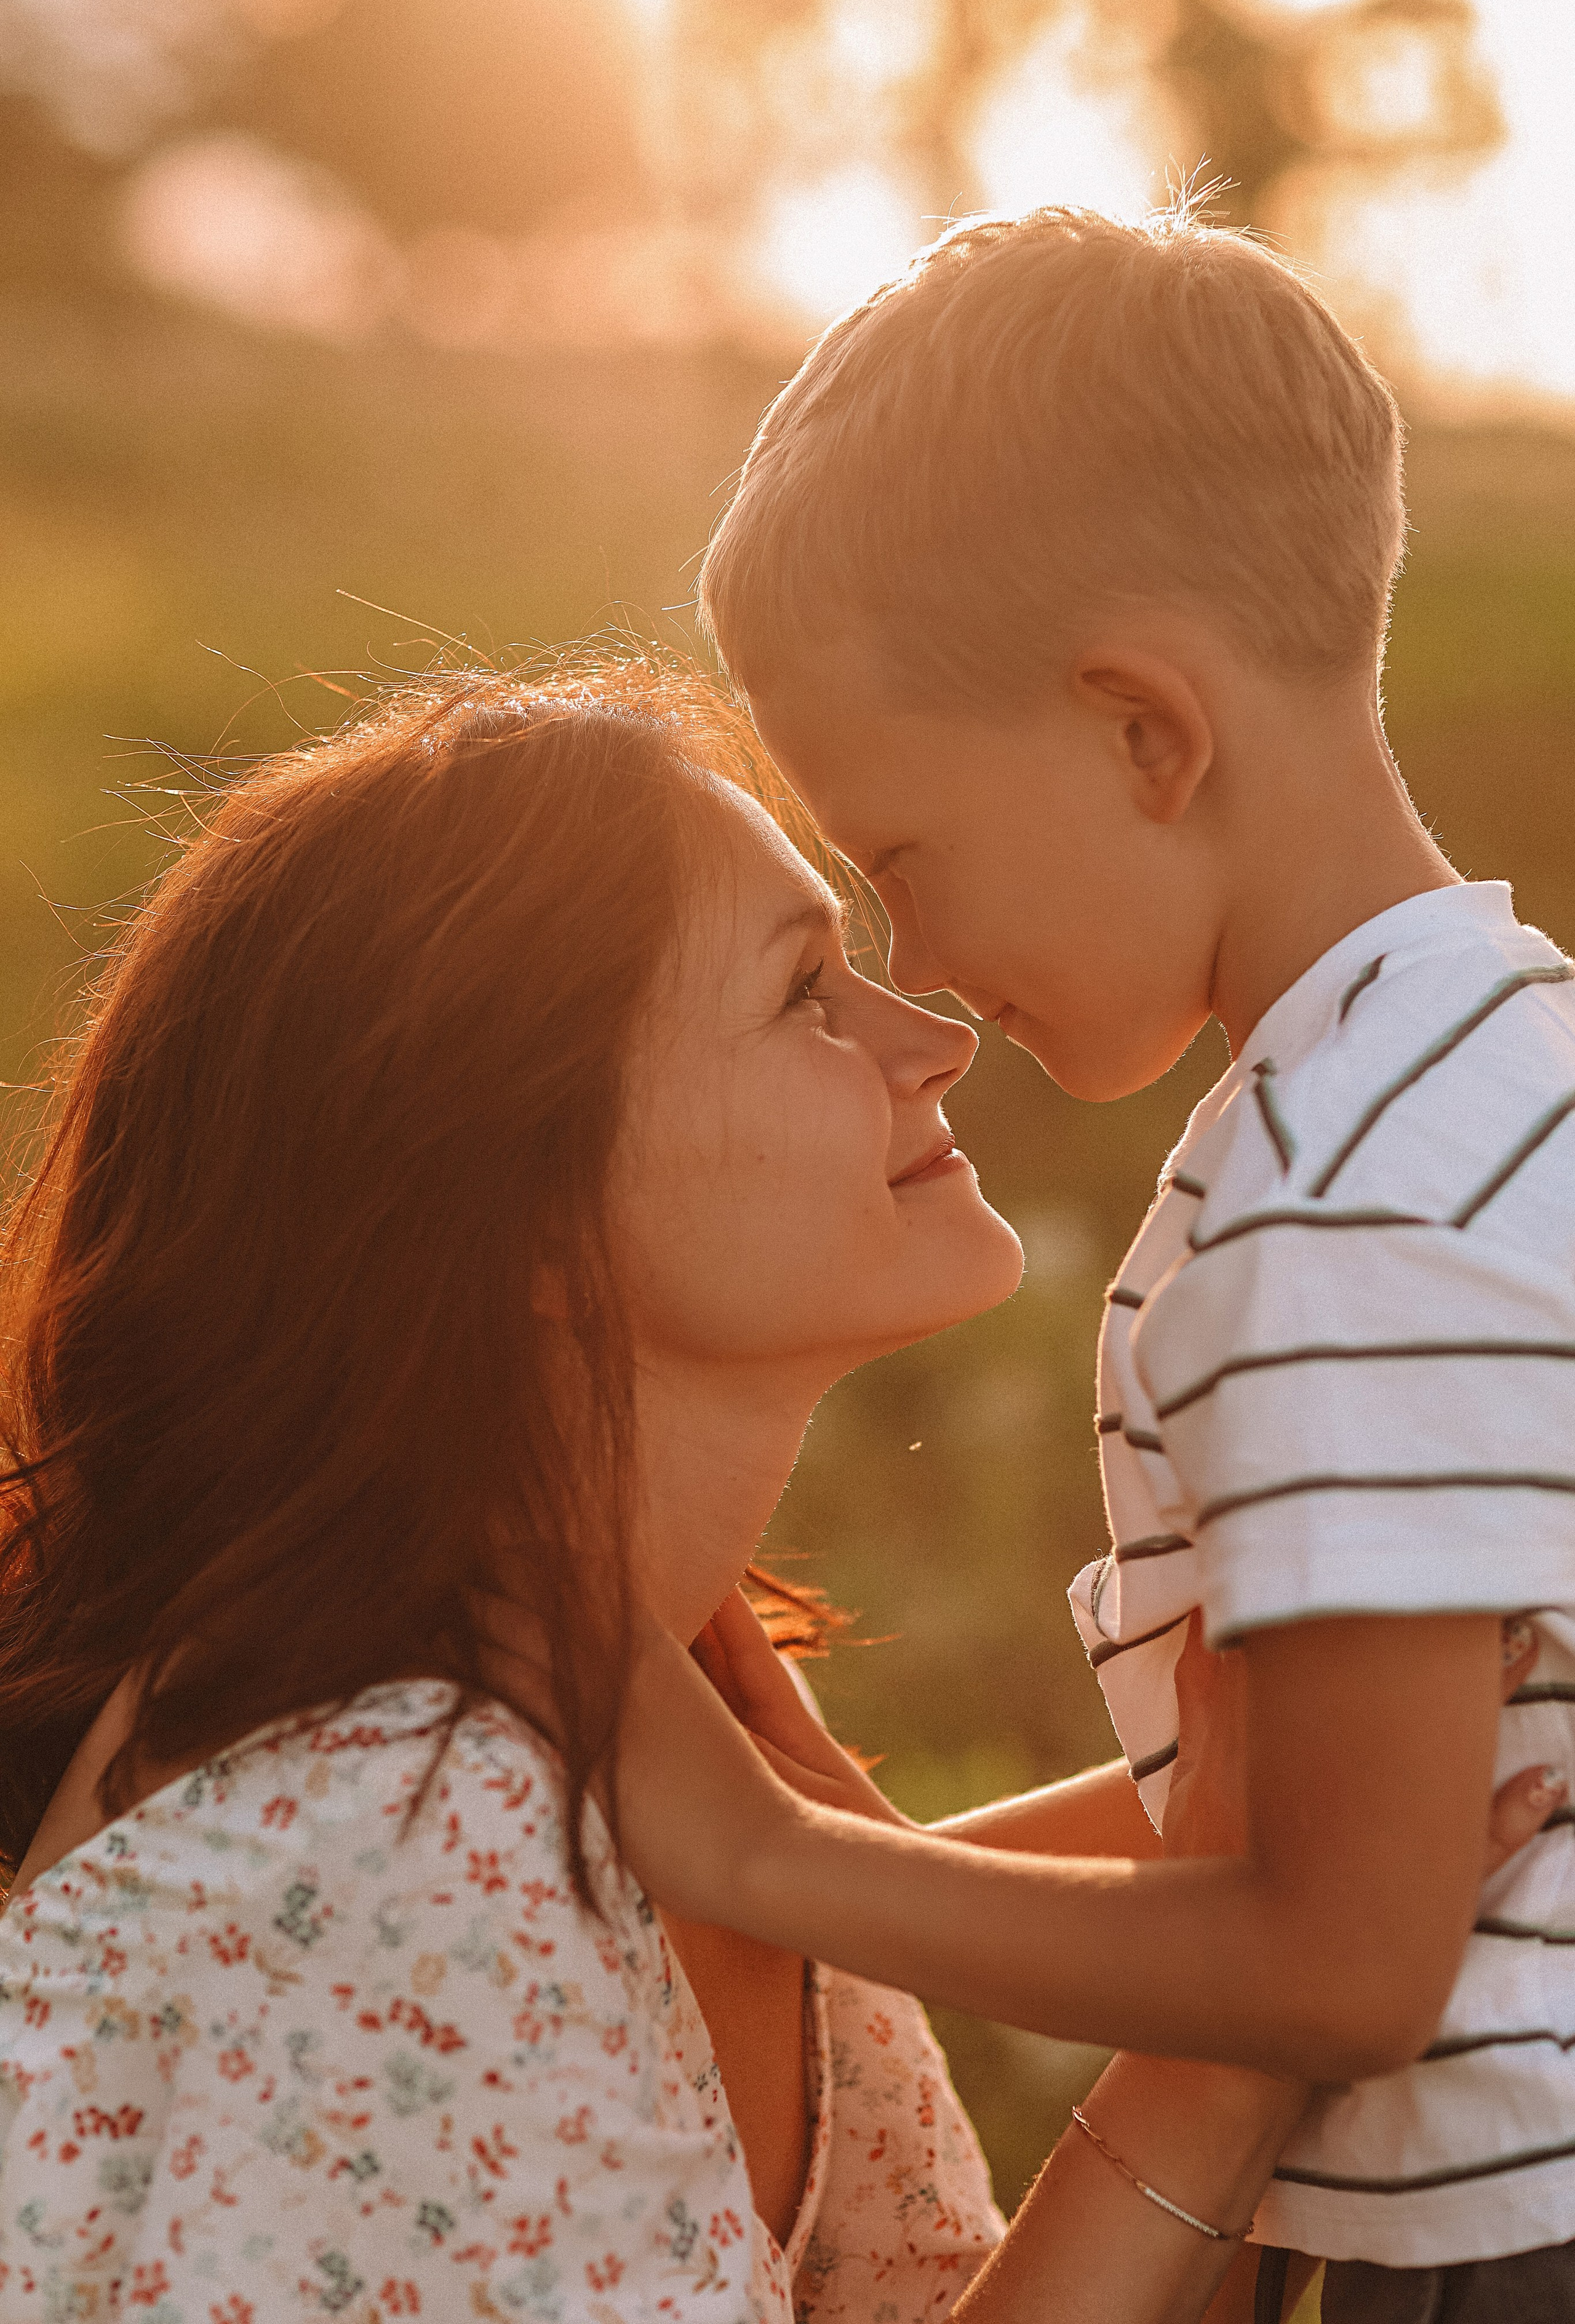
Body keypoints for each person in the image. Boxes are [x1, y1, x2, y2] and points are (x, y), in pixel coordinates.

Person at [0, 664, 1320, 2322]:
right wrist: (1223, 2046)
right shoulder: (399, 1845)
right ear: (522, 1211)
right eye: (803, 996)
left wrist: (1244, 1962)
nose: (931, 1042)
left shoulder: (697, 1770)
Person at [610, 205, 1575, 2321]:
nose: (926, 982)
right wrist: (880, 1894)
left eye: (904, 866)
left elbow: (1339, 1950)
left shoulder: (1334, 1215)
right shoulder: (1498, 1072)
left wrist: (773, 1868)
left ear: (1147, 730)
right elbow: (1275, 1802)